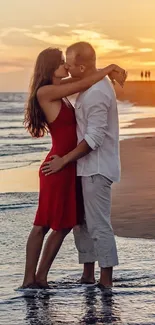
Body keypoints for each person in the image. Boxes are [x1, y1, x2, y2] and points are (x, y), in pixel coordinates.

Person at [22, 46, 125, 289]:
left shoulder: (60, 90)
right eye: (61, 63)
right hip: (58, 165)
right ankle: (31, 280)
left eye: (67, 63)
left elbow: (82, 78)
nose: (66, 67)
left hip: (68, 164)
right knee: (45, 223)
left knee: (65, 223)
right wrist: (108, 68)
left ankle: (40, 279)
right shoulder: (47, 91)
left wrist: (101, 70)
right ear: (50, 68)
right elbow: (81, 81)